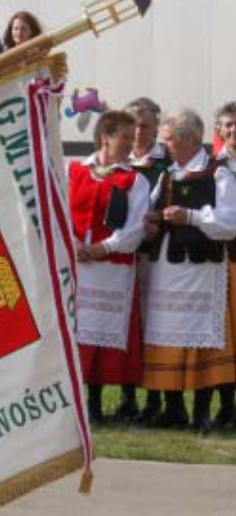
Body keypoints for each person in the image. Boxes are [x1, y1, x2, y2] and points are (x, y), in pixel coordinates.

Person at [141, 109, 236, 433]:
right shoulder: (168, 174)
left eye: (168, 139)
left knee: (202, 340)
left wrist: (191, 217)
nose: (164, 146)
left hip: (201, 267)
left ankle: (202, 411)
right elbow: (149, 212)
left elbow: (229, 224)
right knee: (167, 335)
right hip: (167, 267)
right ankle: (173, 407)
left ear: (188, 139)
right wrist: (150, 222)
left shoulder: (217, 173)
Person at [68, 111, 151, 424]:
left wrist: (102, 248)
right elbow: (58, 210)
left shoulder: (135, 180)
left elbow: (135, 229)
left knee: (102, 333)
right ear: (105, 136)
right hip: (75, 264)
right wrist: (75, 244)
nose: (131, 144)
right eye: (125, 137)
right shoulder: (74, 170)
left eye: (133, 139)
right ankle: (71, 400)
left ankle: (95, 402)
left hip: (111, 268)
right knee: (74, 330)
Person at [123, 97, 168, 423]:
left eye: (146, 126)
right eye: (135, 125)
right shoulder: (115, 160)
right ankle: (127, 397)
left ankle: (155, 399)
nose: (139, 132)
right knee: (125, 324)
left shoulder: (166, 164)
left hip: (156, 256)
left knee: (151, 325)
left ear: (156, 129)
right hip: (121, 257)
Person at [210, 101, 236, 431]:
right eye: (227, 125)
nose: (232, 130)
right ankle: (226, 407)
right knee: (226, 340)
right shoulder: (212, 169)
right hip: (226, 261)